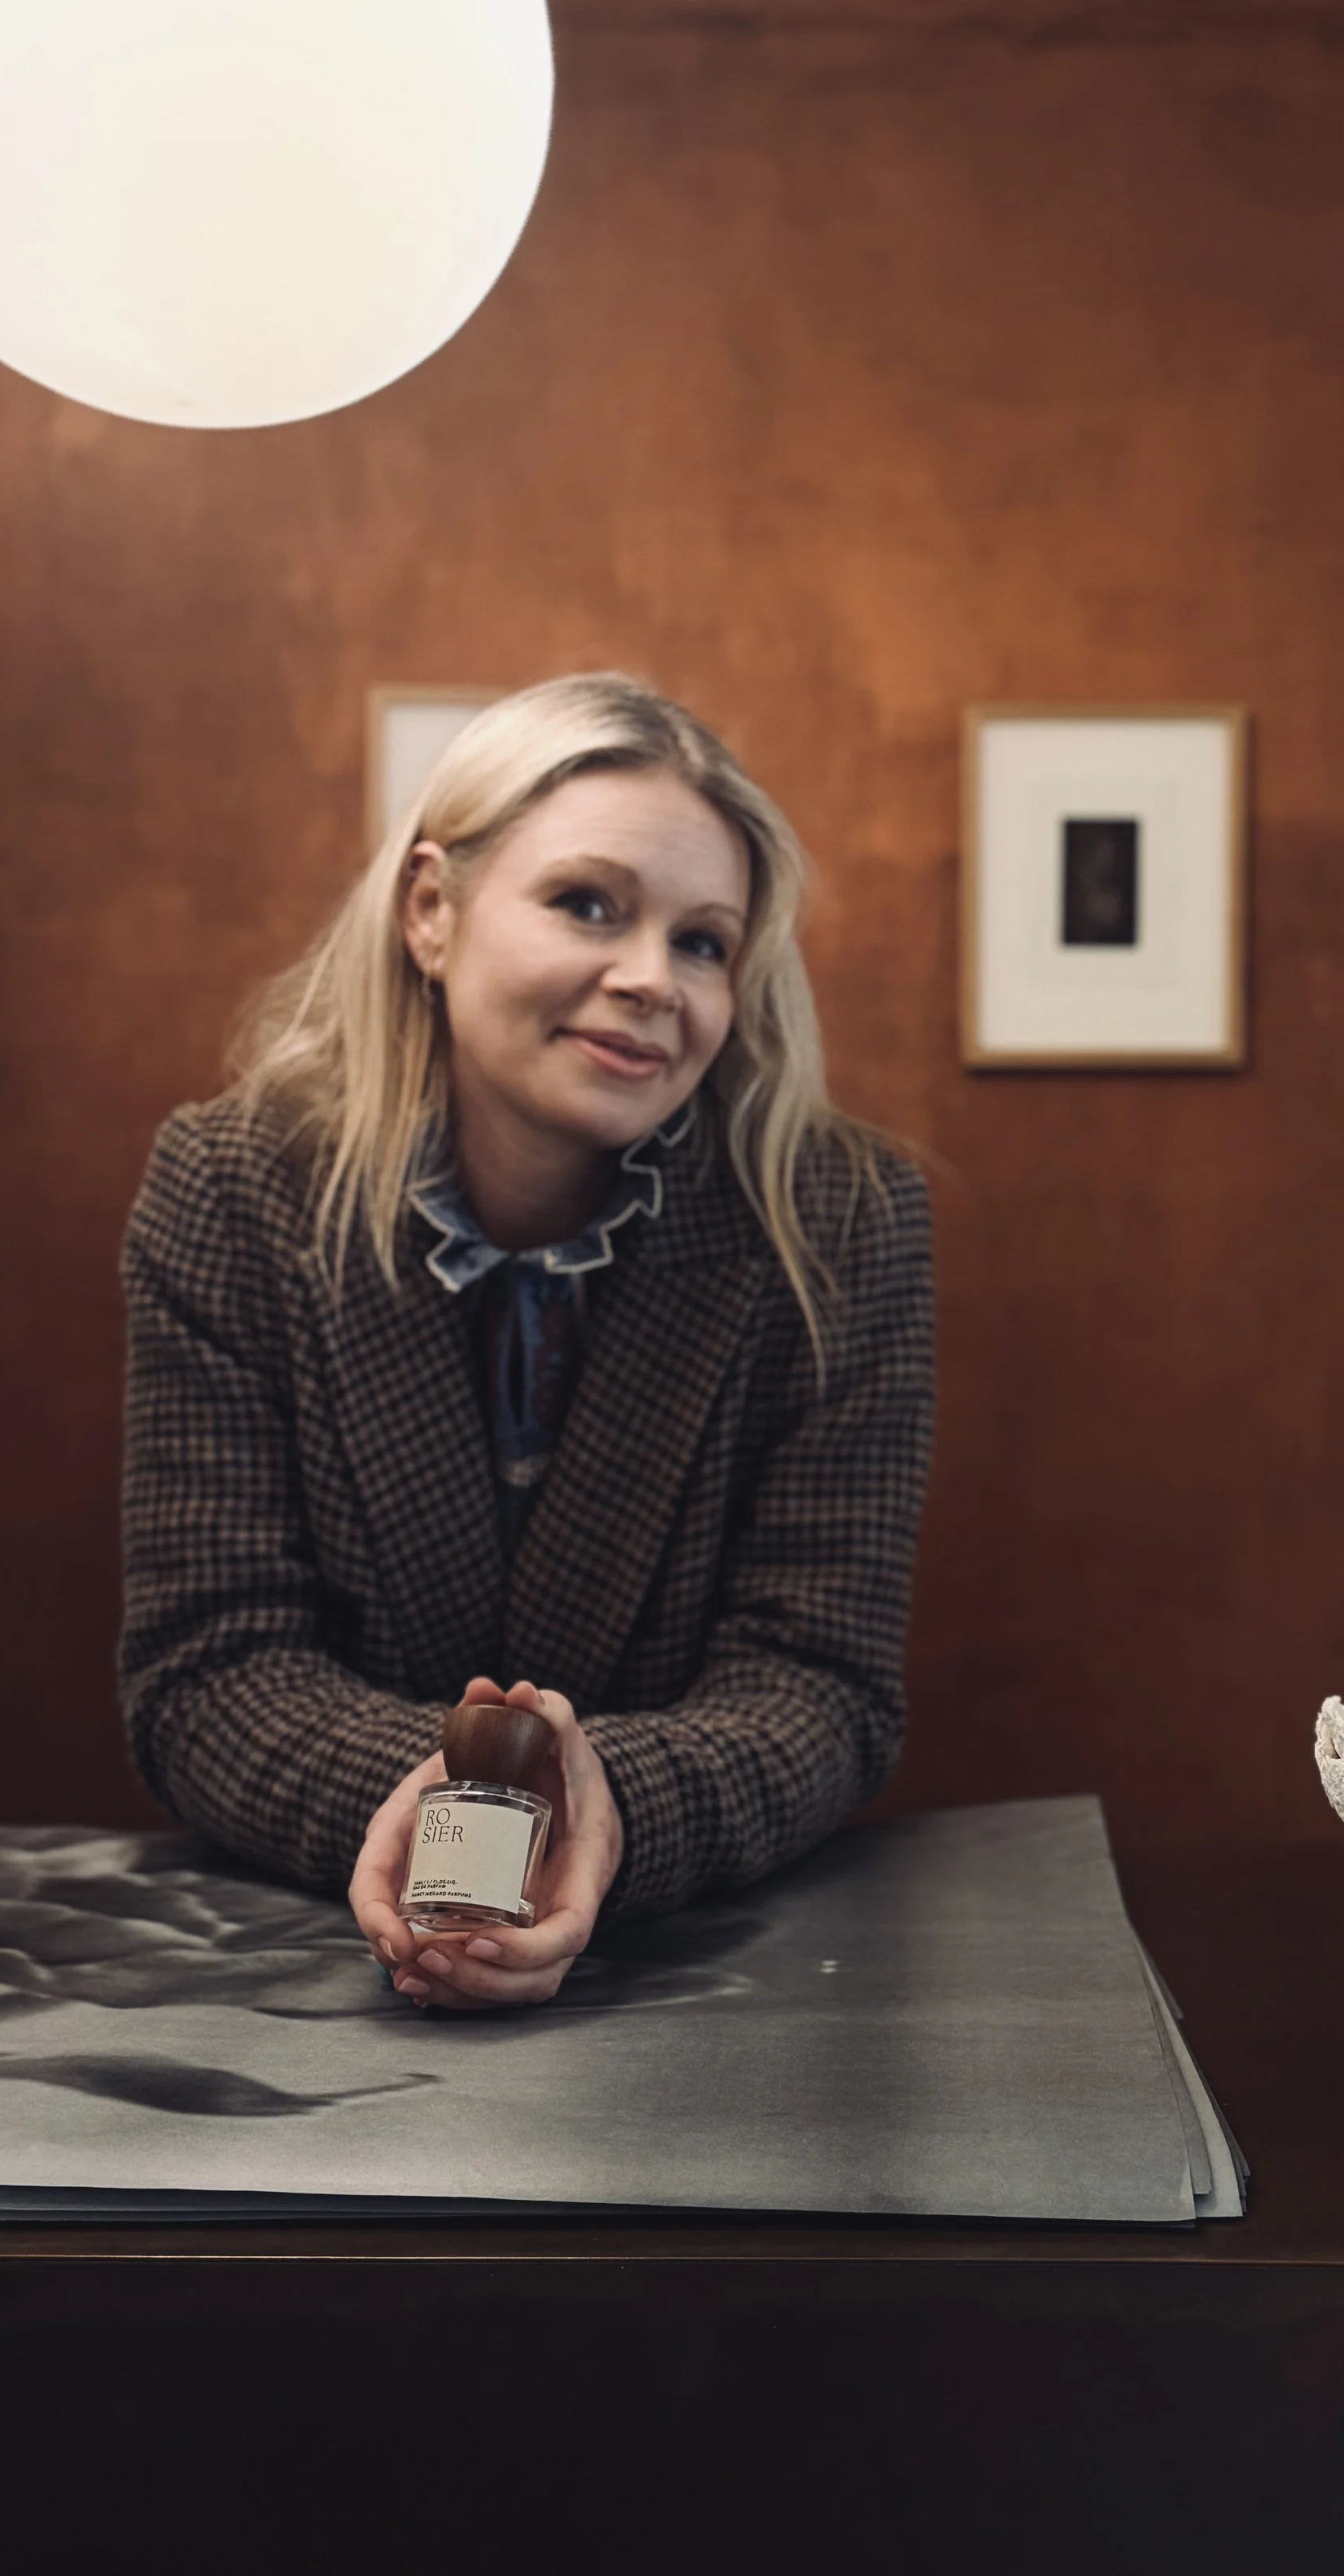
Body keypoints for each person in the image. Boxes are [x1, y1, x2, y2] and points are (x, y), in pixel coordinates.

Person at [119, 673, 934, 2013]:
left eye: (704, 942)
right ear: (430, 911)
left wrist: (600, 1809)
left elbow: (822, 1683)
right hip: (310, 1963)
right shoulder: (234, 1191)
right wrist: (466, 1820)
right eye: (588, 904)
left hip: (701, 1973)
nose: (651, 979)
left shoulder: (837, 1221)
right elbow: (208, 1668)